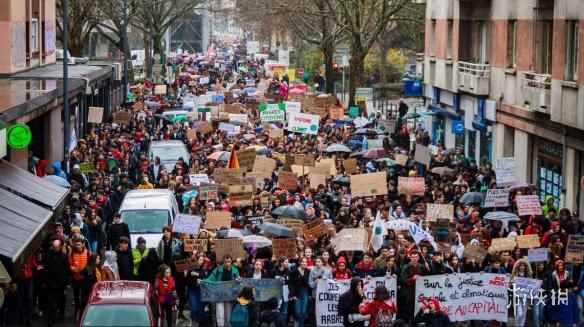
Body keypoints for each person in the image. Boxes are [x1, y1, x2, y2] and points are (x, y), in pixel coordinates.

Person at [206, 255, 240, 327]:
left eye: (229, 262)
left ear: (231, 262)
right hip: (219, 295)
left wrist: (238, 281)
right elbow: (210, 279)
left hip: (229, 296)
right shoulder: (218, 270)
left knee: (227, 315)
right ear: (223, 262)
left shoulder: (235, 270)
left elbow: (239, 281)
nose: (227, 263)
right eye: (226, 262)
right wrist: (202, 281)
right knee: (220, 314)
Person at [44, 239, 70, 326]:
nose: (54, 248)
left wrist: (66, 282)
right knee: (51, 302)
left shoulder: (64, 256)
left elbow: (67, 269)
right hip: (50, 283)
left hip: (60, 283)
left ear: (60, 247)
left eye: (56, 247)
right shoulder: (48, 255)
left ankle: (59, 315)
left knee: (60, 300)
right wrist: (46, 281)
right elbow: (46, 268)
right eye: (53, 247)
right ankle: (51, 319)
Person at [68, 236, 90, 323]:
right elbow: (69, 265)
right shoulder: (71, 253)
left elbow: (90, 265)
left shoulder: (88, 253)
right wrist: (74, 269)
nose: (78, 246)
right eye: (76, 244)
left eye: (79, 244)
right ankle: (76, 316)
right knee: (76, 298)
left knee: (84, 298)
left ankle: (83, 316)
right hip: (75, 279)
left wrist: (84, 271)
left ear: (83, 244)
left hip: (84, 279)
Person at [185, 253, 208, 326]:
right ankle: (194, 320)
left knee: (200, 309)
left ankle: (198, 323)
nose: (201, 261)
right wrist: (191, 274)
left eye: (202, 260)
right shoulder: (191, 267)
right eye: (200, 259)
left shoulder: (203, 269)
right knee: (194, 308)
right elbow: (187, 275)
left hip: (200, 290)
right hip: (192, 290)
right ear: (196, 260)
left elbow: (204, 276)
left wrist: (198, 276)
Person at [289, 257, 310, 327]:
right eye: (303, 262)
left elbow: (307, 283)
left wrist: (303, 275)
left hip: (305, 292)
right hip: (296, 293)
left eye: (306, 262)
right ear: (299, 262)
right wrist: (292, 295)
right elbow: (291, 284)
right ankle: (296, 323)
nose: (304, 263)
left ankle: (301, 325)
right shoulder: (294, 271)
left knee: (303, 312)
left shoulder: (308, 271)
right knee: (297, 312)